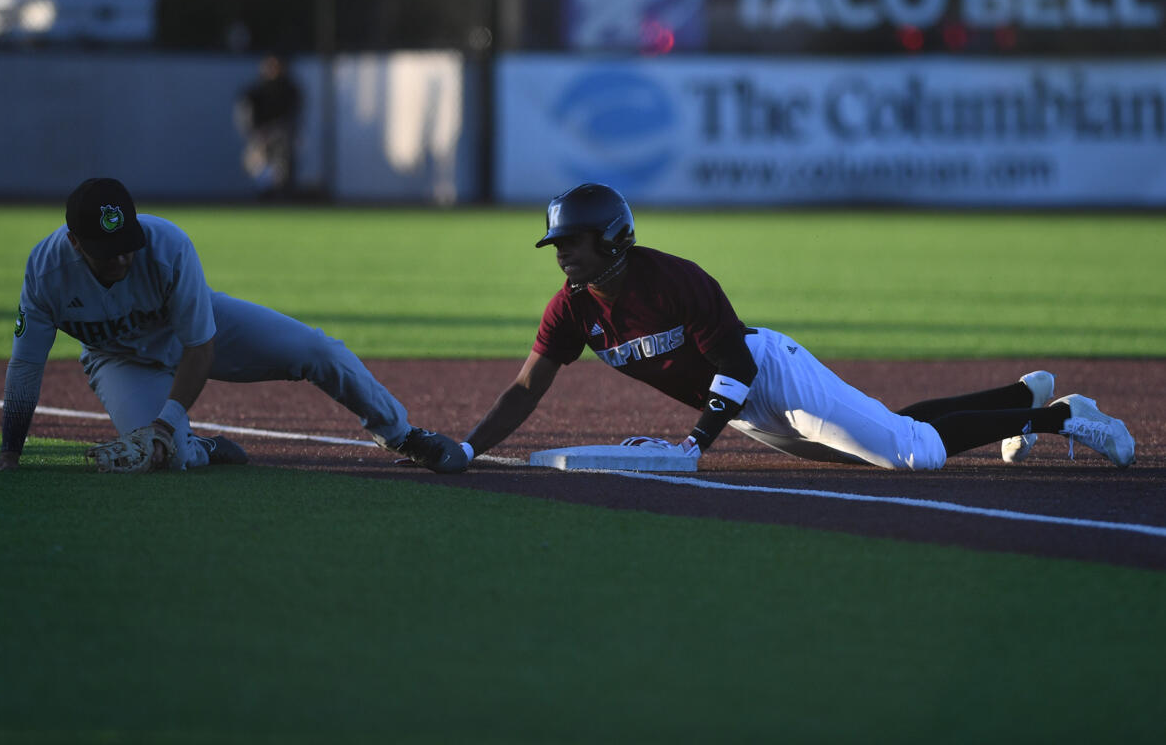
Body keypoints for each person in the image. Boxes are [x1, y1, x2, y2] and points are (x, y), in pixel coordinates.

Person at [456, 183, 1135, 472]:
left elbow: (737, 367)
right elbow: (525, 389)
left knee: (911, 453)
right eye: (557, 244)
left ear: (611, 239)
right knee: (885, 433)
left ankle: (1058, 415)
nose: (562, 253)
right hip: (745, 410)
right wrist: (466, 448)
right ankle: (1018, 397)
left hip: (767, 370)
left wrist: (696, 441)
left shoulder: (674, 278)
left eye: (571, 241)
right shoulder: (570, 306)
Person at [0, 177, 467, 474]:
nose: (120, 260)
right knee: (168, 460)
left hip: (195, 329)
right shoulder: (45, 273)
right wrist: (9, 453)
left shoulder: (167, 246)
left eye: (125, 245)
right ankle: (201, 447)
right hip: (117, 359)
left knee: (319, 351)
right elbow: (26, 364)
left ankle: (402, 434)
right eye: (105, 252)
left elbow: (200, 347)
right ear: (74, 242)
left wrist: (165, 418)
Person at [234, 54, 303, 200]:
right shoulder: (255, 92)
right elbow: (245, 117)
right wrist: (257, 133)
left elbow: (291, 118)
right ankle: (263, 194)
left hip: (281, 138)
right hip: (259, 138)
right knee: (256, 165)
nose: (273, 70)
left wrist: (273, 132)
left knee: (282, 166)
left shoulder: (290, 91)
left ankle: (282, 195)